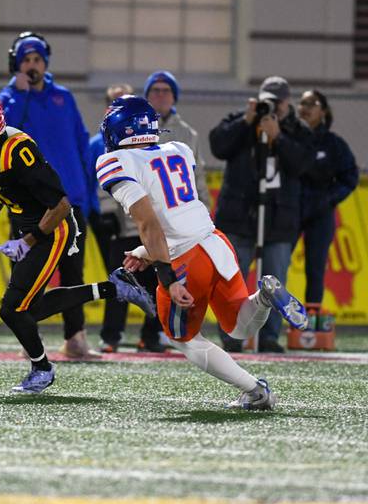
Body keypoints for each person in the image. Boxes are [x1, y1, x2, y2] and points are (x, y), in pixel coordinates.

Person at [97, 95, 308, 409]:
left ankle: (256, 391)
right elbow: (175, 213)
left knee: (184, 339)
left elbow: (150, 222)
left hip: (185, 258)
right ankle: (264, 297)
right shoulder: (178, 149)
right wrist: (146, 251)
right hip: (214, 241)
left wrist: (167, 277)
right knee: (238, 325)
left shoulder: (115, 161)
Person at [0, 90, 156, 394]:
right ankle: (115, 287)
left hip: (52, 224)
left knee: (12, 310)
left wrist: (28, 241)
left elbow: (60, 205)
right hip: (24, 220)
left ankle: (42, 369)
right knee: (25, 308)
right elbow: (6, 188)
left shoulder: (16, 150)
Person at [0, 32, 99, 358]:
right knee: (29, 273)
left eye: (37, 59)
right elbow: (2, 143)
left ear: (45, 63)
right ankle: (30, 339)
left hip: (70, 198)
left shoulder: (63, 97)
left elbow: (81, 143)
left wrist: (88, 190)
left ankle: (76, 337)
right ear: (16, 63)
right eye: (26, 60)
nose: (32, 65)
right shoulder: (8, 101)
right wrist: (20, 97)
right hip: (30, 203)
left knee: (73, 272)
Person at [209, 75, 315, 353]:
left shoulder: (298, 130)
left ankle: (269, 337)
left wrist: (278, 135)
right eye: (267, 100)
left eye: (277, 102)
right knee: (233, 277)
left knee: (275, 280)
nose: (272, 107)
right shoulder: (242, 120)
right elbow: (218, 146)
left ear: (287, 102)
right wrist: (246, 121)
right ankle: (232, 334)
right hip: (239, 217)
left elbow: (304, 164)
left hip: (279, 220)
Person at [89, 83, 165, 353]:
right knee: (120, 280)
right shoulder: (99, 144)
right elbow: (96, 183)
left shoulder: (153, 144)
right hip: (121, 224)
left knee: (158, 282)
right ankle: (111, 335)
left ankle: (154, 333)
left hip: (148, 220)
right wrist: (105, 213)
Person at [297, 90, 358, 306]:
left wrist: (330, 199)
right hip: (288, 212)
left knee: (315, 269)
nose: (305, 108)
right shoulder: (288, 138)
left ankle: (311, 327)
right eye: (301, 103)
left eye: (311, 103)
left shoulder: (333, 144)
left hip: (320, 214)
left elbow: (350, 176)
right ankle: (269, 326)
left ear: (323, 111)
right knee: (277, 265)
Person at [143, 71, 210, 207]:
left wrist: (204, 208)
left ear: (174, 97)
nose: (161, 95)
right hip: (143, 208)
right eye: (155, 90)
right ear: (147, 96)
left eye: (166, 90)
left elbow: (197, 174)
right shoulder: (135, 129)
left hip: (178, 210)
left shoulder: (188, 134)